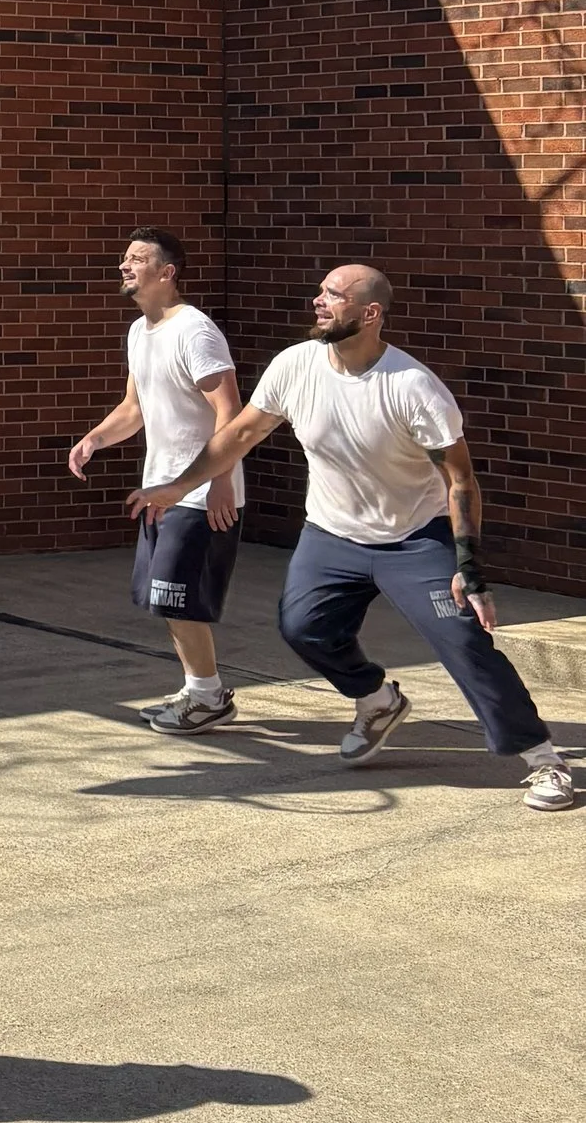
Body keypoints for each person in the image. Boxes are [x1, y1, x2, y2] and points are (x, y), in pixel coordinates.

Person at [129, 263, 578, 811]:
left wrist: (470, 566)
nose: (319, 302)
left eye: (333, 296)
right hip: (332, 532)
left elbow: (460, 479)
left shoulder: (412, 387)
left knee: (461, 640)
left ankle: (542, 759)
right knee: (304, 629)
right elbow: (242, 432)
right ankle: (375, 700)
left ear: (370, 314)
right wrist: (178, 488)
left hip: (413, 535)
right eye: (319, 291)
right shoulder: (295, 365)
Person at [67, 228, 247, 732]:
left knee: (177, 596)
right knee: (166, 600)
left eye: (138, 259)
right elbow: (135, 407)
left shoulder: (196, 331)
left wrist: (220, 483)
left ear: (167, 273)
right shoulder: (139, 331)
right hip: (160, 489)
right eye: (124, 258)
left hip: (201, 493)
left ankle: (208, 696)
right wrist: (95, 440)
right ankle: (201, 690)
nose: (125, 266)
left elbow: (229, 412)